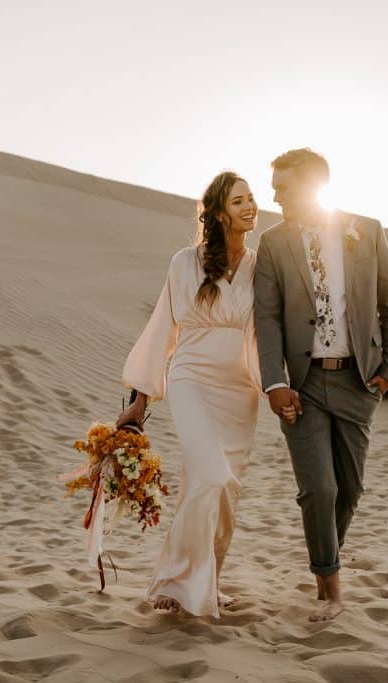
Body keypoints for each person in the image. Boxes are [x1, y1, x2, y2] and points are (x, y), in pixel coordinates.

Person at [254, 148, 388, 622]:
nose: (274, 196)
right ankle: (331, 589)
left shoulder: (368, 230)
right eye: (274, 187)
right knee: (318, 488)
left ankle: (324, 563)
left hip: (358, 381)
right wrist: (274, 383)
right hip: (302, 382)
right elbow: (268, 316)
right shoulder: (272, 242)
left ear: (315, 185)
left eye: (284, 187)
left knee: (350, 489)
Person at [117, 171, 266, 618]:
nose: (251, 206)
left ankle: (208, 579)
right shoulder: (184, 262)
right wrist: (140, 401)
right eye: (239, 201)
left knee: (223, 490)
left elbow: (268, 333)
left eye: (252, 198)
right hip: (191, 381)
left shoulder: (262, 265)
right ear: (219, 213)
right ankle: (176, 578)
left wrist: (278, 387)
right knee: (211, 476)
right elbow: (161, 329)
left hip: (241, 392)